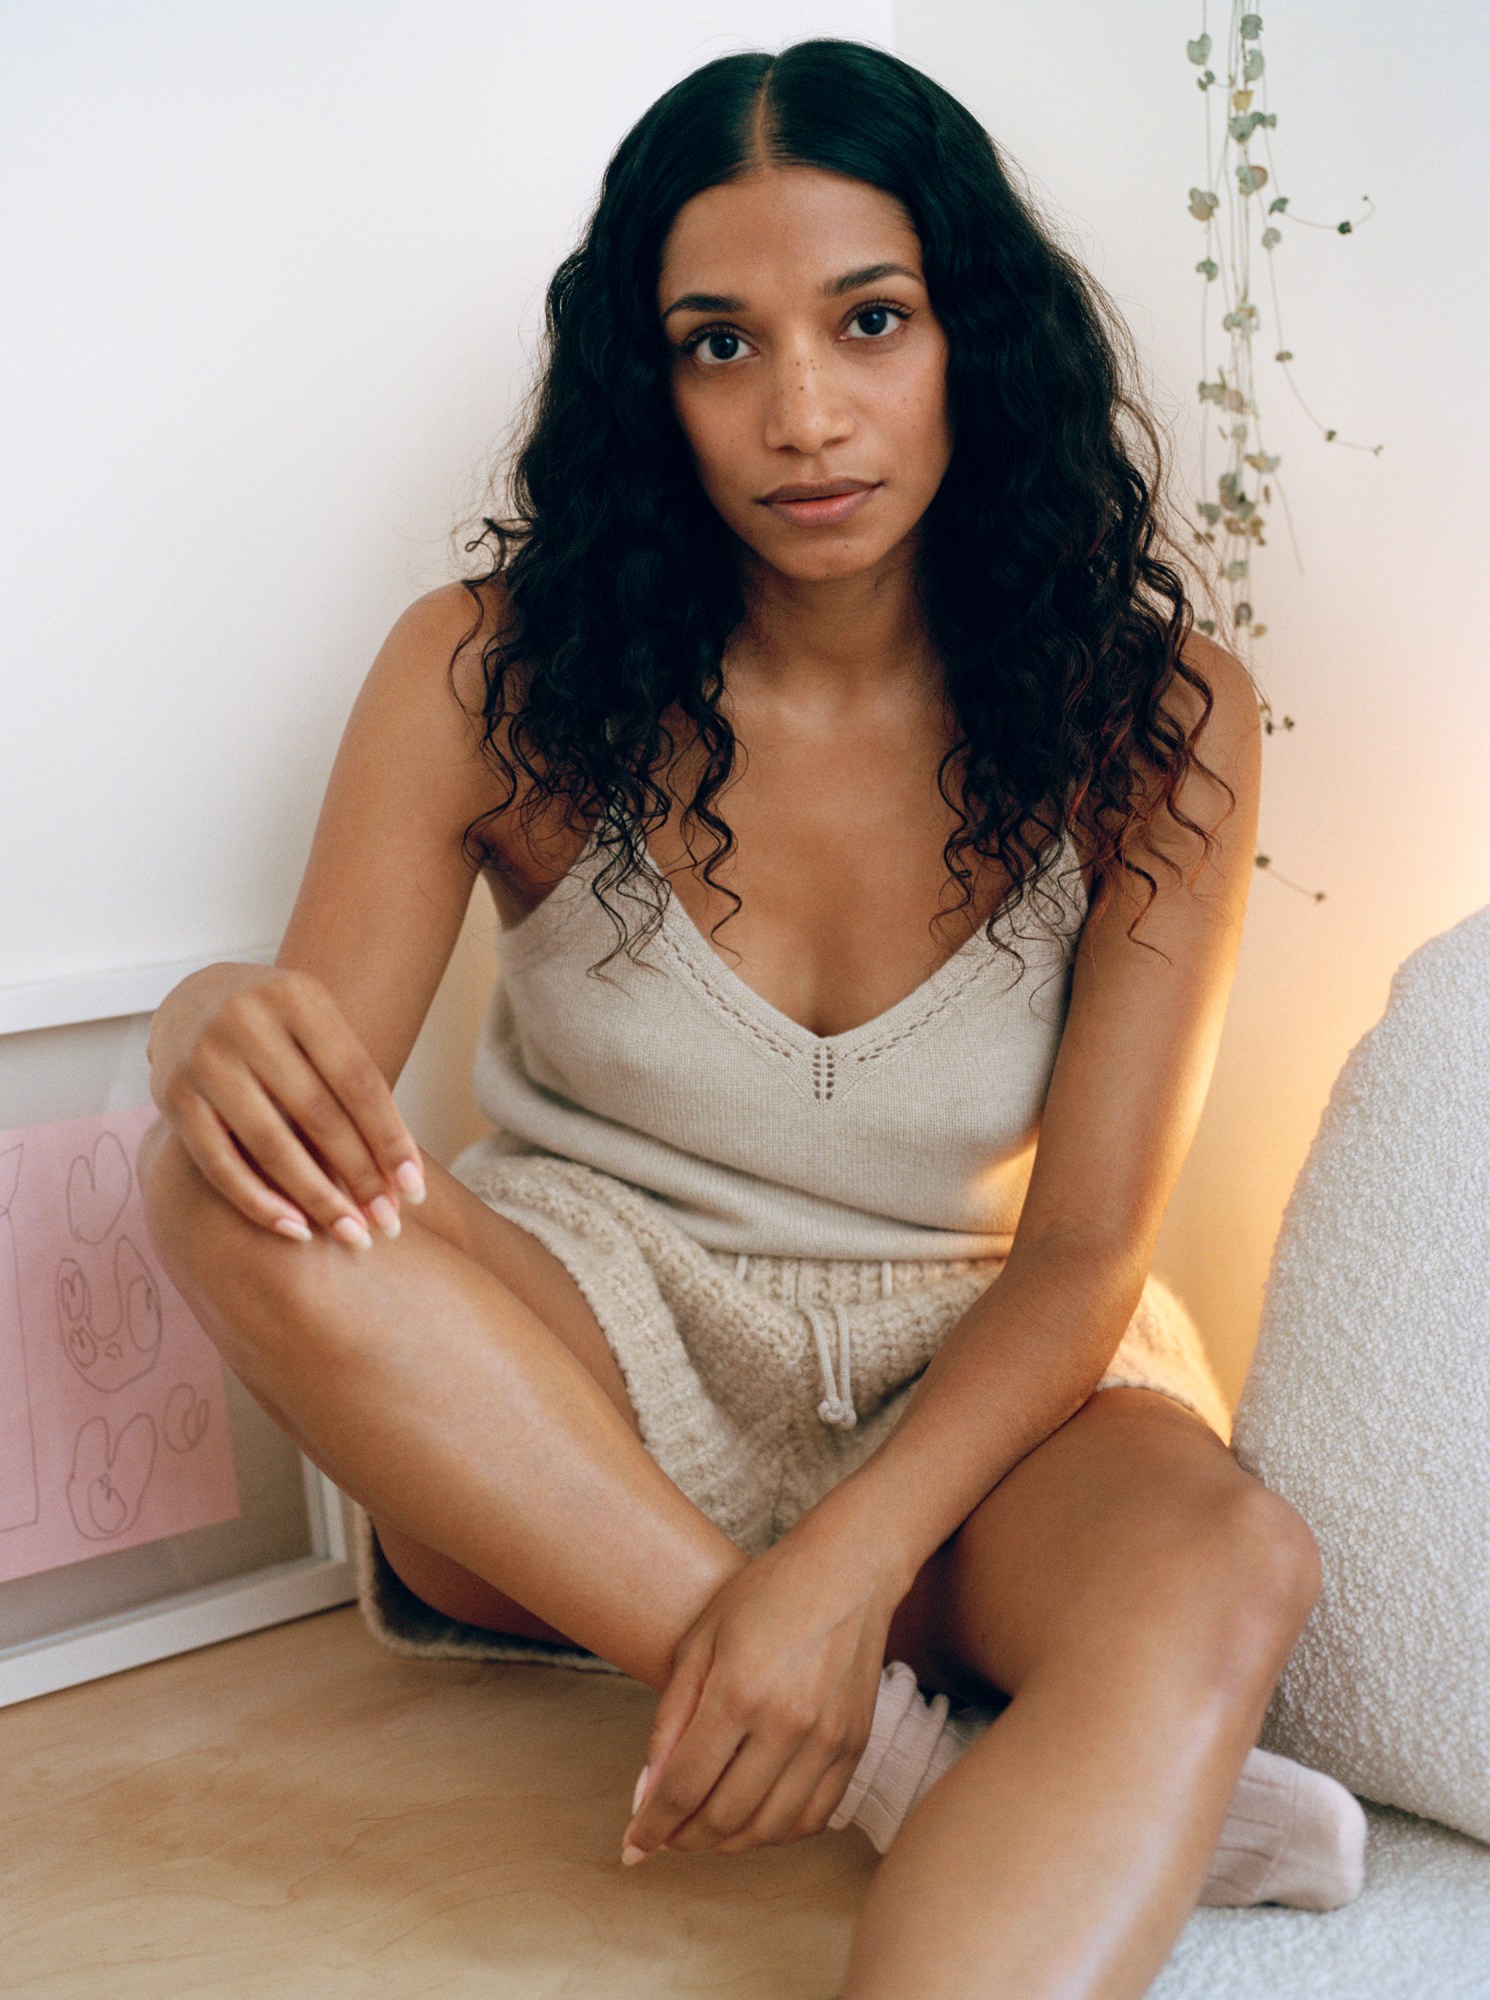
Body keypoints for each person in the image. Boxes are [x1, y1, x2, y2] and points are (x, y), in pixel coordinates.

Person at [138, 39, 1366, 2000]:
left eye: (868, 319)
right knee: (228, 1188)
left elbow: (1083, 1247)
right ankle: (895, 1758)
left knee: (1231, 1563)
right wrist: (206, 1015)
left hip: (983, 1384)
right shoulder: (487, 672)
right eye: (721, 343)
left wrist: (845, 1560)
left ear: (974, 330)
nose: (803, 414)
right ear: (653, 381)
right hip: (571, 1398)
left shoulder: (1158, 719)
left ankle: (892, 1704)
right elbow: (311, 1106)